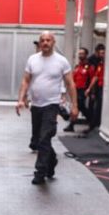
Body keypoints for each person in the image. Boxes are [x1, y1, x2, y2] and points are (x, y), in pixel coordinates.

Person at [15, 32, 78, 184]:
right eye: (42, 40)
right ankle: (52, 161)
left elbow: (70, 84)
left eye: (48, 40)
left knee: (45, 137)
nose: (45, 43)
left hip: (52, 105)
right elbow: (25, 80)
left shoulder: (61, 61)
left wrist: (75, 106)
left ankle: (40, 172)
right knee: (39, 140)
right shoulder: (33, 59)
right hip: (36, 106)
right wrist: (21, 99)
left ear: (53, 42)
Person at [63, 47, 91, 132]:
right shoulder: (77, 67)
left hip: (83, 90)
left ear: (86, 55)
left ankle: (91, 121)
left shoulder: (89, 67)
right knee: (80, 107)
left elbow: (92, 78)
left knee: (79, 106)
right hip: (76, 89)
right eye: (79, 54)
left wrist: (89, 89)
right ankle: (91, 121)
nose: (80, 55)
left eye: (82, 54)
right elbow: (73, 79)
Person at [83, 42, 106, 134]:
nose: (102, 55)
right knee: (95, 106)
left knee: (98, 107)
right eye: (101, 53)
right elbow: (95, 76)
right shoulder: (98, 63)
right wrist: (90, 88)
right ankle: (93, 123)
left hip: (102, 88)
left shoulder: (104, 64)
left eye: (103, 53)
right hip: (98, 87)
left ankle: (94, 124)